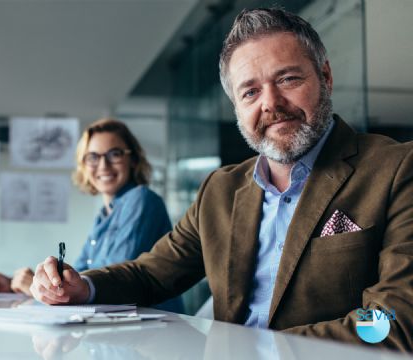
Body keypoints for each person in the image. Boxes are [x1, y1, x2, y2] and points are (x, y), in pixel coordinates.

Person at [29, 8, 413, 351]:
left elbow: (394, 320)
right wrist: (84, 286)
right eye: (250, 92)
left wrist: (270, 350)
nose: (270, 103)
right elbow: (151, 274)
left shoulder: (395, 169)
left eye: (289, 79)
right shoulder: (220, 190)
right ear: (236, 107)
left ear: (325, 77)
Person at [0, 118, 184, 313]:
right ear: (83, 165)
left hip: (153, 332)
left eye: (115, 154)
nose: (103, 165)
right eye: (93, 157)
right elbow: (79, 276)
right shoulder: (104, 214)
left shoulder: (141, 199)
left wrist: (36, 284)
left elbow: (112, 279)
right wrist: (19, 284)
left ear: (133, 159)